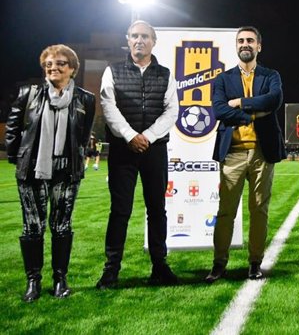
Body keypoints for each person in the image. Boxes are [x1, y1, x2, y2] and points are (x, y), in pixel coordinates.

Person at [6, 45, 95, 302]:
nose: (54, 67)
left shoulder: (85, 99)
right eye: (49, 64)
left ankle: (60, 279)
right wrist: (18, 159)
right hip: (32, 168)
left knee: (61, 225)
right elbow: (12, 129)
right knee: (33, 226)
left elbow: (83, 134)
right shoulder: (28, 93)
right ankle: (33, 281)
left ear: (73, 68)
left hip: (66, 169)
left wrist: (76, 159)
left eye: (60, 63)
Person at [96, 20, 179, 289]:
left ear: (154, 41)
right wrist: (131, 136)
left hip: (154, 150)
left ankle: (159, 265)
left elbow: (172, 111)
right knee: (120, 211)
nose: (139, 40)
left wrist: (148, 137)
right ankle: (111, 269)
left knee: (157, 209)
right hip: (123, 151)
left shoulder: (166, 74)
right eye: (134, 36)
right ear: (128, 39)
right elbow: (108, 106)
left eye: (144, 36)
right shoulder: (112, 71)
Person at [205, 26, 286, 283]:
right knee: (226, 211)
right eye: (241, 40)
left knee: (259, 210)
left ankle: (255, 262)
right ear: (236, 45)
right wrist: (250, 114)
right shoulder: (223, 79)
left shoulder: (270, 75)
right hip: (233, 154)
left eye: (250, 40)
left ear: (259, 46)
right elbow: (219, 110)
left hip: (263, 152)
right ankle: (219, 263)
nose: (245, 44)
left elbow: (274, 100)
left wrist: (240, 103)